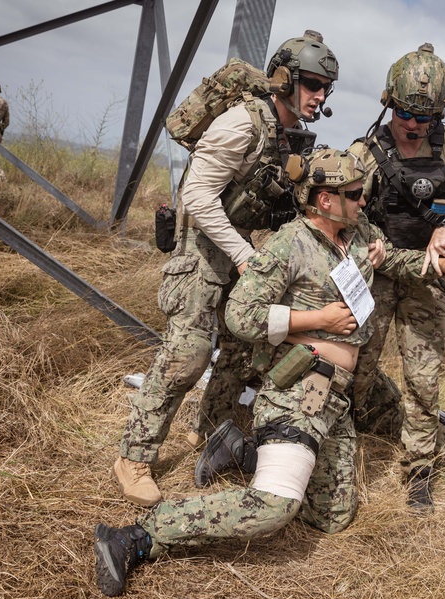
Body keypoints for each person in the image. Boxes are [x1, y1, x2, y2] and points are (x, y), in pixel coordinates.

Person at [93, 148, 445, 596]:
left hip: (336, 397)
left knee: (332, 517)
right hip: (300, 388)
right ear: (324, 200)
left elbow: (387, 259)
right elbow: (240, 315)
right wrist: (315, 321)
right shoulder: (289, 244)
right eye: (354, 194)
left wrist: (437, 265)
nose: (363, 201)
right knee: (275, 507)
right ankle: (137, 537)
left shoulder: (357, 233)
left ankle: (241, 452)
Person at [112, 30, 341, 507]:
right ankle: (133, 456)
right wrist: (241, 253)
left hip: (242, 251)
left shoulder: (287, 134)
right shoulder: (243, 123)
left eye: (326, 88)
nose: (320, 96)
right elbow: (196, 195)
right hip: (204, 247)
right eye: (313, 84)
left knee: (241, 351)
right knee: (188, 355)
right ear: (284, 79)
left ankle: (211, 433)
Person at [347, 43, 445, 510]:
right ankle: (348, 450)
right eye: (404, 113)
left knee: (424, 381)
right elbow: (339, 211)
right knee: (355, 369)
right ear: (387, 102)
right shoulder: (367, 151)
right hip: (375, 276)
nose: (414, 124)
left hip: (428, 281)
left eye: (425, 116)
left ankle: (419, 471)